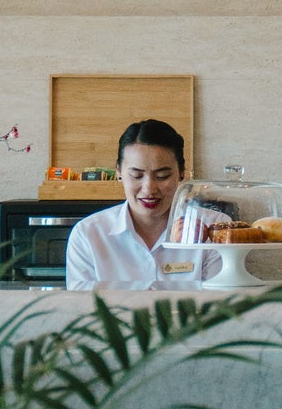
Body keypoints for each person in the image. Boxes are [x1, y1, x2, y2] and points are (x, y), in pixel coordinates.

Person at [64, 119, 218, 290]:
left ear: (181, 172)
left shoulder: (215, 228)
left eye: (162, 176)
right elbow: (83, 304)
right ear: (119, 172)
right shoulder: (89, 234)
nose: (149, 189)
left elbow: (224, 302)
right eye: (136, 176)